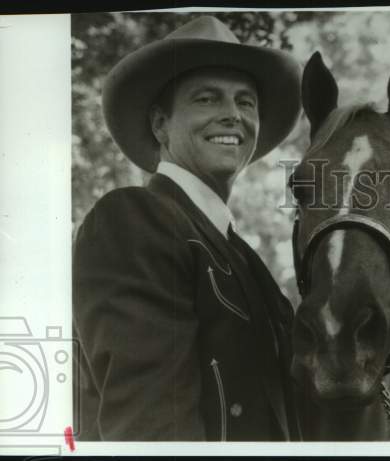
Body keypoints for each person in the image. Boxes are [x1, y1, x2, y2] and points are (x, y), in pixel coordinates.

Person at [73, 16, 302, 441]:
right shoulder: (135, 220)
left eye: (245, 102)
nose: (233, 115)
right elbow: (151, 432)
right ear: (161, 125)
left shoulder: (243, 256)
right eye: (207, 99)